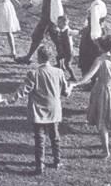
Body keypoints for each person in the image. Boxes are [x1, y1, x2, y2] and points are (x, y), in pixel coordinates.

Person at [20, 46, 72, 174]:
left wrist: (8, 99)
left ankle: (40, 165)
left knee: (39, 138)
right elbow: (65, 93)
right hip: (53, 110)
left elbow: (23, 91)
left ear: (38, 57)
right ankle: (57, 160)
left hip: (38, 111)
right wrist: (70, 88)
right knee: (55, 136)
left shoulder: (33, 73)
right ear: (50, 57)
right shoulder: (59, 72)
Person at [75, 34, 111, 157]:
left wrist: (77, 83)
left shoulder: (100, 60)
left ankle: (106, 150)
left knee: (102, 119)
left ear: (101, 47)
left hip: (102, 89)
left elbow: (90, 75)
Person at [17, 0, 64, 64]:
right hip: (47, 16)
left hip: (50, 18)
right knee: (55, 40)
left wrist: (57, 21)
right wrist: (31, 4)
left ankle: (28, 58)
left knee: (38, 36)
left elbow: (57, 4)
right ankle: (61, 64)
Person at [77, 0, 108, 77]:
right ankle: (92, 78)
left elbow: (95, 21)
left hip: (93, 32)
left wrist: (95, 37)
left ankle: (90, 78)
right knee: (94, 54)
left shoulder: (96, 6)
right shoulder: (100, 4)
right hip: (98, 30)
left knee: (88, 54)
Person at [52, 15, 75, 80]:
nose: (58, 24)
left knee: (67, 64)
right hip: (65, 50)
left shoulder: (67, 31)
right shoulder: (62, 30)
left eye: (59, 23)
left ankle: (73, 77)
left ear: (64, 23)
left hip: (69, 51)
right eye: (58, 22)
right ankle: (60, 67)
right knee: (58, 57)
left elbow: (72, 33)